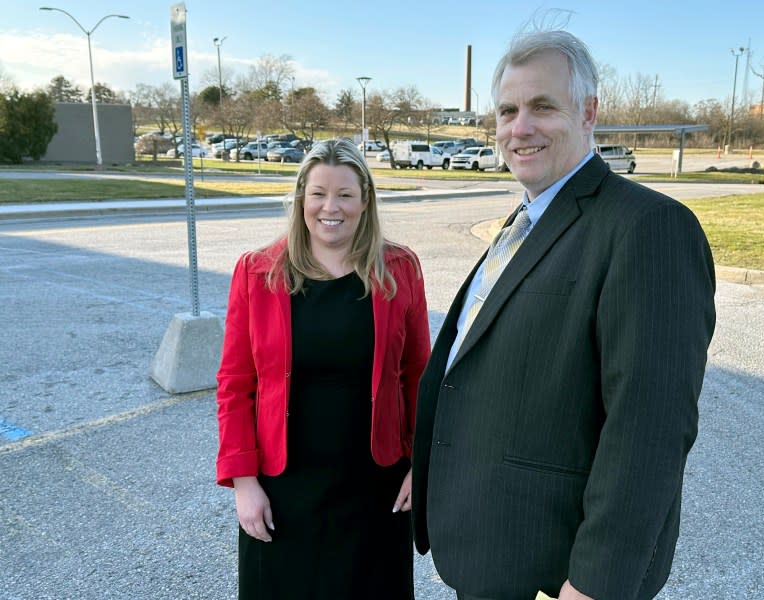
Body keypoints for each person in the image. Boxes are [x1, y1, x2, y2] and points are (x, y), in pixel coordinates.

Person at [411, 29, 716, 600]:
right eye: (507, 110)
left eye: (542, 106)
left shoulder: (647, 228)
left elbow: (649, 428)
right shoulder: (524, 222)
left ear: (588, 111)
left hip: (557, 573)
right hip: (490, 554)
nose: (518, 127)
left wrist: (594, 584)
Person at [216, 138, 430, 599]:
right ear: (301, 199)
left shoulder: (399, 269)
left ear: (365, 200)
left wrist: (423, 464)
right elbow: (235, 385)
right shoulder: (257, 273)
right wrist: (243, 482)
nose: (330, 207)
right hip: (282, 492)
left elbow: (419, 375)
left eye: (345, 194)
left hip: (377, 489)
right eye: (318, 193)